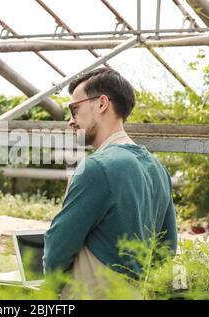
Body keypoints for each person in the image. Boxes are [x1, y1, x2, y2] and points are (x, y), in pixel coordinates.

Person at [43, 68, 177, 298]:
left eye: (75, 109)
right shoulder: (157, 169)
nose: (70, 121)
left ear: (102, 103)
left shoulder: (97, 167)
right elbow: (167, 247)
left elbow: (58, 248)